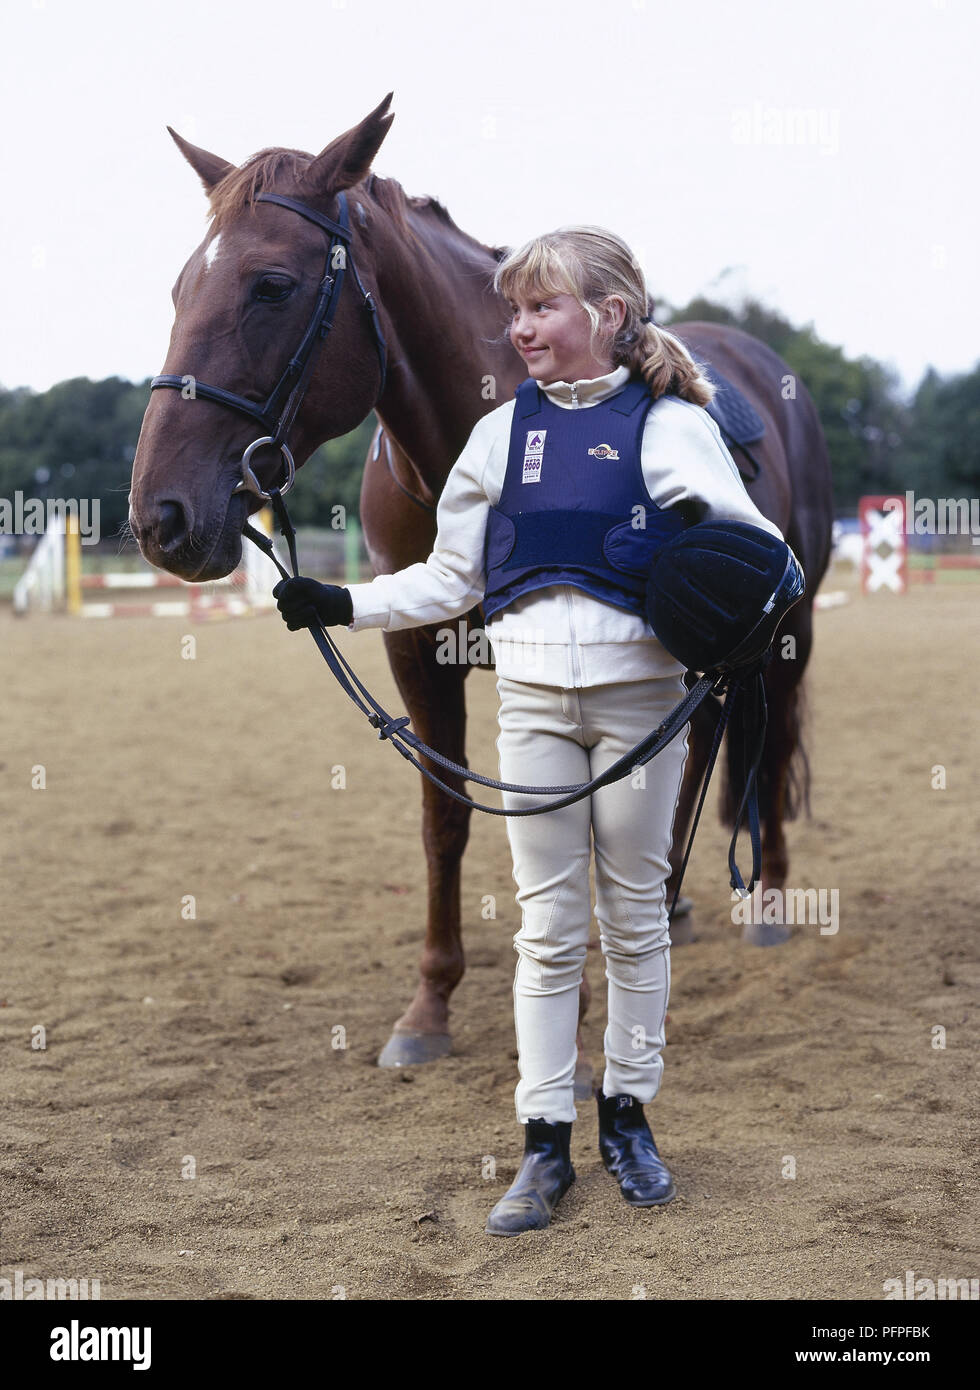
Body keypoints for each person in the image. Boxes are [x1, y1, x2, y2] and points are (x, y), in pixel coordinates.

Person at [273, 225, 786, 1236]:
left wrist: (734, 617)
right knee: (548, 932)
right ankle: (543, 1143)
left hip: (641, 709)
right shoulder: (498, 435)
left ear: (608, 314)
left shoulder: (671, 426)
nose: (519, 329)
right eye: (512, 312)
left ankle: (628, 1118)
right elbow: (450, 580)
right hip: (533, 712)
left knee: (633, 921)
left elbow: (755, 552)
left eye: (542, 307)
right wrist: (341, 605)